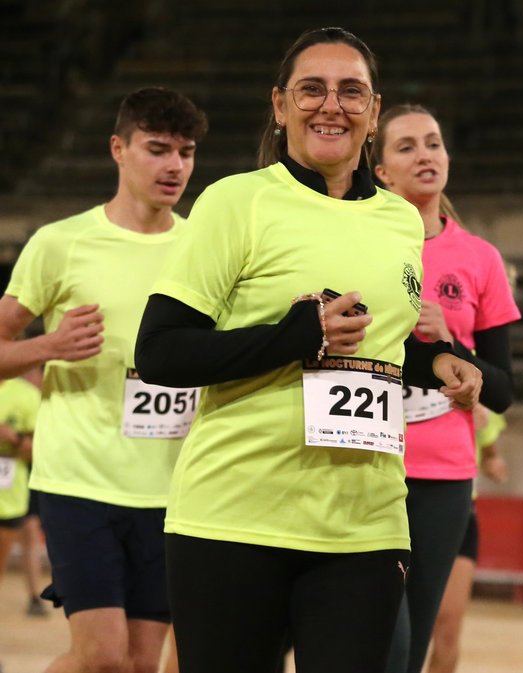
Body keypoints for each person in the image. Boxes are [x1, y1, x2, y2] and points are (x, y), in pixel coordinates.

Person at [133, 27, 481, 673]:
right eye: (311, 90)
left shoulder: (400, 219)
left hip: (366, 523)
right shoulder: (236, 201)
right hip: (234, 519)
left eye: (352, 92)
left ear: (374, 111)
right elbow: (161, 352)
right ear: (279, 104)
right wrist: (296, 336)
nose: (332, 105)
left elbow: (375, 341)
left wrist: (433, 360)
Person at [0, 86, 206, 673]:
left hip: (172, 489)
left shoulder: (203, 248)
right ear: (118, 148)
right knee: (104, 659)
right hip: (79, 482)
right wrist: (50, 346)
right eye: (157, 149)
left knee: (143, 665)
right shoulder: (60, 243)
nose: (174, 166)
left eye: (186, 153)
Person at [371, 103, 520, 673]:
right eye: (406, 146)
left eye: (433, 143)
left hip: (443, 478)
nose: (425, 155)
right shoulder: (359, 242)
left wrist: (448, 346)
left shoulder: (480, 259)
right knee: (383, 639)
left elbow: (504, 390)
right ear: (381, 170)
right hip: (364, 460)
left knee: (411, 649)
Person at [425, 407, 510, 673]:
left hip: (459, 514)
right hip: (405, 506)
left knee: (448, 628)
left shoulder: (483, 401)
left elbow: (490, 456)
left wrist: (493, 465)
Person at [0, 367, 41, 609]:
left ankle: (34, 595)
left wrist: (13, 438)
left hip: (9, 496)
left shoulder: (26, 395)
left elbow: (37, 449)